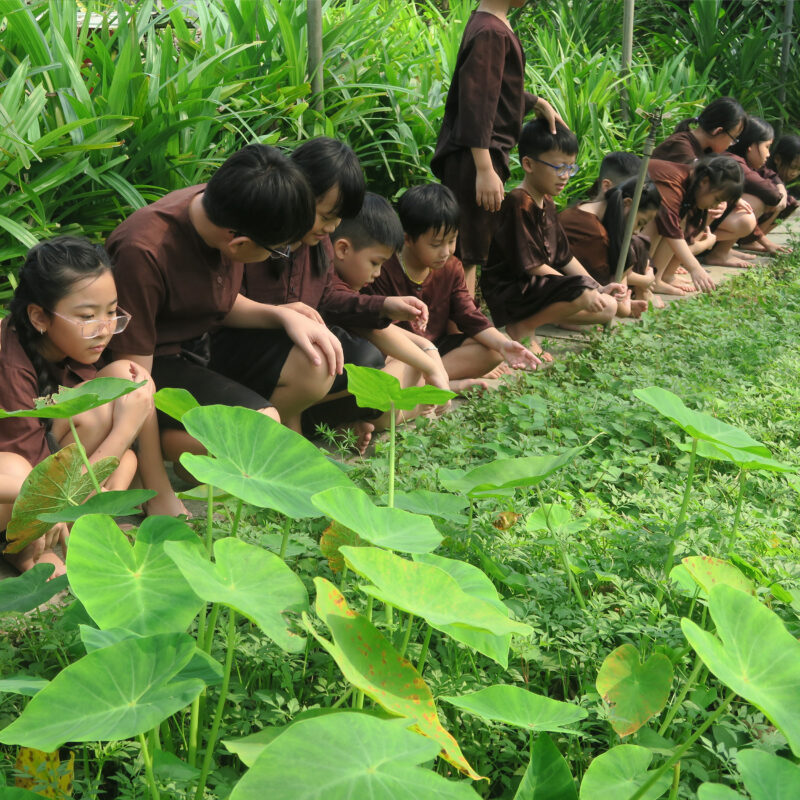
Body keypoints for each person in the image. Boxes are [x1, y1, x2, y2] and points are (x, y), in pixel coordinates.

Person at [107, 144, 343, 454]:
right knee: (261, 426)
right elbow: (134, 385)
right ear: (238, 244)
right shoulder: (143, 252)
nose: (280, 256)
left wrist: (282, 314)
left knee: (313, 363)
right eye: (278, 250)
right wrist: (157, 491)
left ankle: (200, 444)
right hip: (150, 364)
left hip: (199, 349)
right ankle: (172, 446)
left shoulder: (229, 204)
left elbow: (217, 300)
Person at [208, 138, 428, 433]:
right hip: (235, 347)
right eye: (326, 216)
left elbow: (328, 297)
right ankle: (275, 433)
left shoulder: (318, 243)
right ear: (299, 190)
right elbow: (221, 301)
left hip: (287, 351)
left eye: (339, 219)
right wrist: (281, 314)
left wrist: (385, 305)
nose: (333, 228)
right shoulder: (260, 228)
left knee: (365, 358)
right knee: (317, 361)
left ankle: (300, 421)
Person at [0, 237, 184, 576]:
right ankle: (24, 548)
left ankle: (158, 493)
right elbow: (39, 486)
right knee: (16, 473)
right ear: (39, 317)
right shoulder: (9, 365)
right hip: (15, 484)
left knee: (130, 379)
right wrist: (125, 430)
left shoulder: (63, 344)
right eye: (88, 316)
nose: (105, 330)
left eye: (112, 312)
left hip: (50, 476)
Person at [430, 0, 564, 295]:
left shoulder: (488, 22)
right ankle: (460, 328)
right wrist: (484, 167)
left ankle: (463, 322)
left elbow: (497, 87)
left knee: (471, 246)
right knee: (467, 250)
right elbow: (476, 103)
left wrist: (535, 102)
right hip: (475, 155)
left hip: (480, 153)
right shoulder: (491, 31)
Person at [363, 184, 542, 391]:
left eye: (452, 240)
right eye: (436, 244)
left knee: (492, 351)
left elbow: (469, 315)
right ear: (408, 239)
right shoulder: (383, 268)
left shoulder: (452, 268)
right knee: (382, 363)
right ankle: (444, 384)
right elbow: (376, 325)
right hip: (399, 352)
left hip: (437, 348)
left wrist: (503, 344)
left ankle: (433, 382)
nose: (446, 251)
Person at [480, 119, 625, 348]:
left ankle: (531, 321)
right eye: (559, 168)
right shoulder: (519, 202)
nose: (565, 176)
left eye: (570, 168)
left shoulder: (546, 202)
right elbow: (533, 265)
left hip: (536, 286)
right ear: (528, 164)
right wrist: (581, 287)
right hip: (512, 289)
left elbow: (565, 257)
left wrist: (598, 286)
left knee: (608, 305)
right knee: (584, 293)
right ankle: (523, 327)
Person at [324, 192, 453, 452]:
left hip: (343, 388)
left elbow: (374, 326)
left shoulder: (343, 284)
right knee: (389, 370)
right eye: (375, 263)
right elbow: (369, 326)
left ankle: (356, 425)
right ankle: (346, 427)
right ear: (342, 249)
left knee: (407, 367)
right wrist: (430, 366)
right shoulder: (326, 284)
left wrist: (431, 358)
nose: (378, 273)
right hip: (320, 390)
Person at [559, 176, 661, 316]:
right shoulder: (594, 233)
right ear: (627, 203)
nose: (637, 231)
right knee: (610, 308)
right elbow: (617, 303)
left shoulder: (585, 208)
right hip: (560, 295)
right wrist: (626, 304)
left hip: (571, 286)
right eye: (639, 223)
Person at [643, 156, 744, 294]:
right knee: (661, 221)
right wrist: (695, 268)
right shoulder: (673, 181)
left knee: (674, 222)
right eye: (717, 199)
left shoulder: (690, 183)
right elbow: (670, 228)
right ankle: (644, 284)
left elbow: (678, 230)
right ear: (705, 181)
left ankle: (657, 278)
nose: (716, 205)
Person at [704, 116, 787, 263]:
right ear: (751, 146)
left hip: (705, 223)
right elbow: (771, 195)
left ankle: (722, 250)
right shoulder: (734, 163)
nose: (768, 154)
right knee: (757, 202)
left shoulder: (742, 159)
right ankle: (715, 252)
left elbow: (769, 173)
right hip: (694, 225)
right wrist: (780, 196)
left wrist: (783, 191)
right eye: (766, 147)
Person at [652, 97, 746, 164]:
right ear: (718, 131)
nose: (731, 144)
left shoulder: (699, 148)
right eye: (733, 139)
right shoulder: (682, 149)